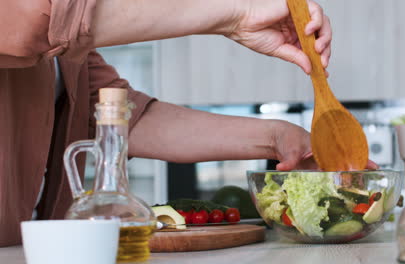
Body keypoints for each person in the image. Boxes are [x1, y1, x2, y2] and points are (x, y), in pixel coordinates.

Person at [0, 0, 369, 247]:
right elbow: (32, 22)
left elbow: (124, 116)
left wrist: (279, 137)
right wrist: (234, 14)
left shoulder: (69, 56)